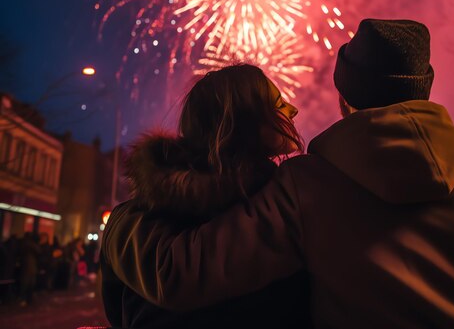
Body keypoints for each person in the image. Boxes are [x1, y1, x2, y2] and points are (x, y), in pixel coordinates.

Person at [103, 19, 454, 328]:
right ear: (424, 86)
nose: (289, 111)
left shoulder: (308, 183)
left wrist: (122, 222)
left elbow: (184, 274)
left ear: (345, 96)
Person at [100, 64, 311, 328]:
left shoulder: (133, 222)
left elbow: (117, 312)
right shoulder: (285, 206)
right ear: (242, 121)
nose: (293, 110)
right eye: (278, 104)